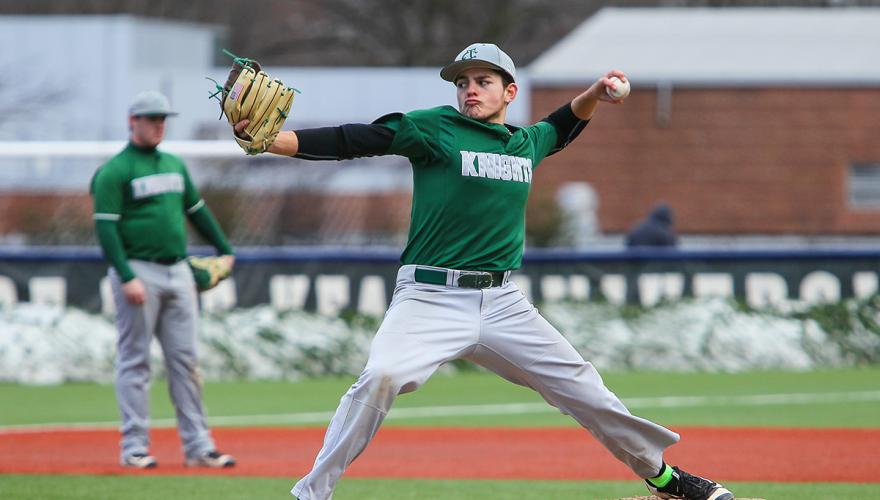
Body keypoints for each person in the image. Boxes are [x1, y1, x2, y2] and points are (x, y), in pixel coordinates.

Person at [236, 43, 734, 500]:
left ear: (508, 91)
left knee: (586, 390)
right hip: (429, 296)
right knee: (382, 375)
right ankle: (311, 493)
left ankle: (665, 479)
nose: (469, 89)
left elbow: (562, 124)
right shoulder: (434, 128)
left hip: (501, 304)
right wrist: (274, 141)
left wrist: (595, 94)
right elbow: (357, 139)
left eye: (483, 81)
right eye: (462, 82)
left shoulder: (525, 143)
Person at [91, 91, 237, 469]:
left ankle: (199, 447)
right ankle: (134, 447)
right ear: (132, 121)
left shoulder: (173, 163)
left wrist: (224, 248)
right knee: (135, 361)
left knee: (186, 361)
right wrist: (125, 276)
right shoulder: (116, 170)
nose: (158, 124)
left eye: (162, 118)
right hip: (138, 270)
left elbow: (196, 210)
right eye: (151, 118)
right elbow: (106, 230)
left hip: (178, 270)